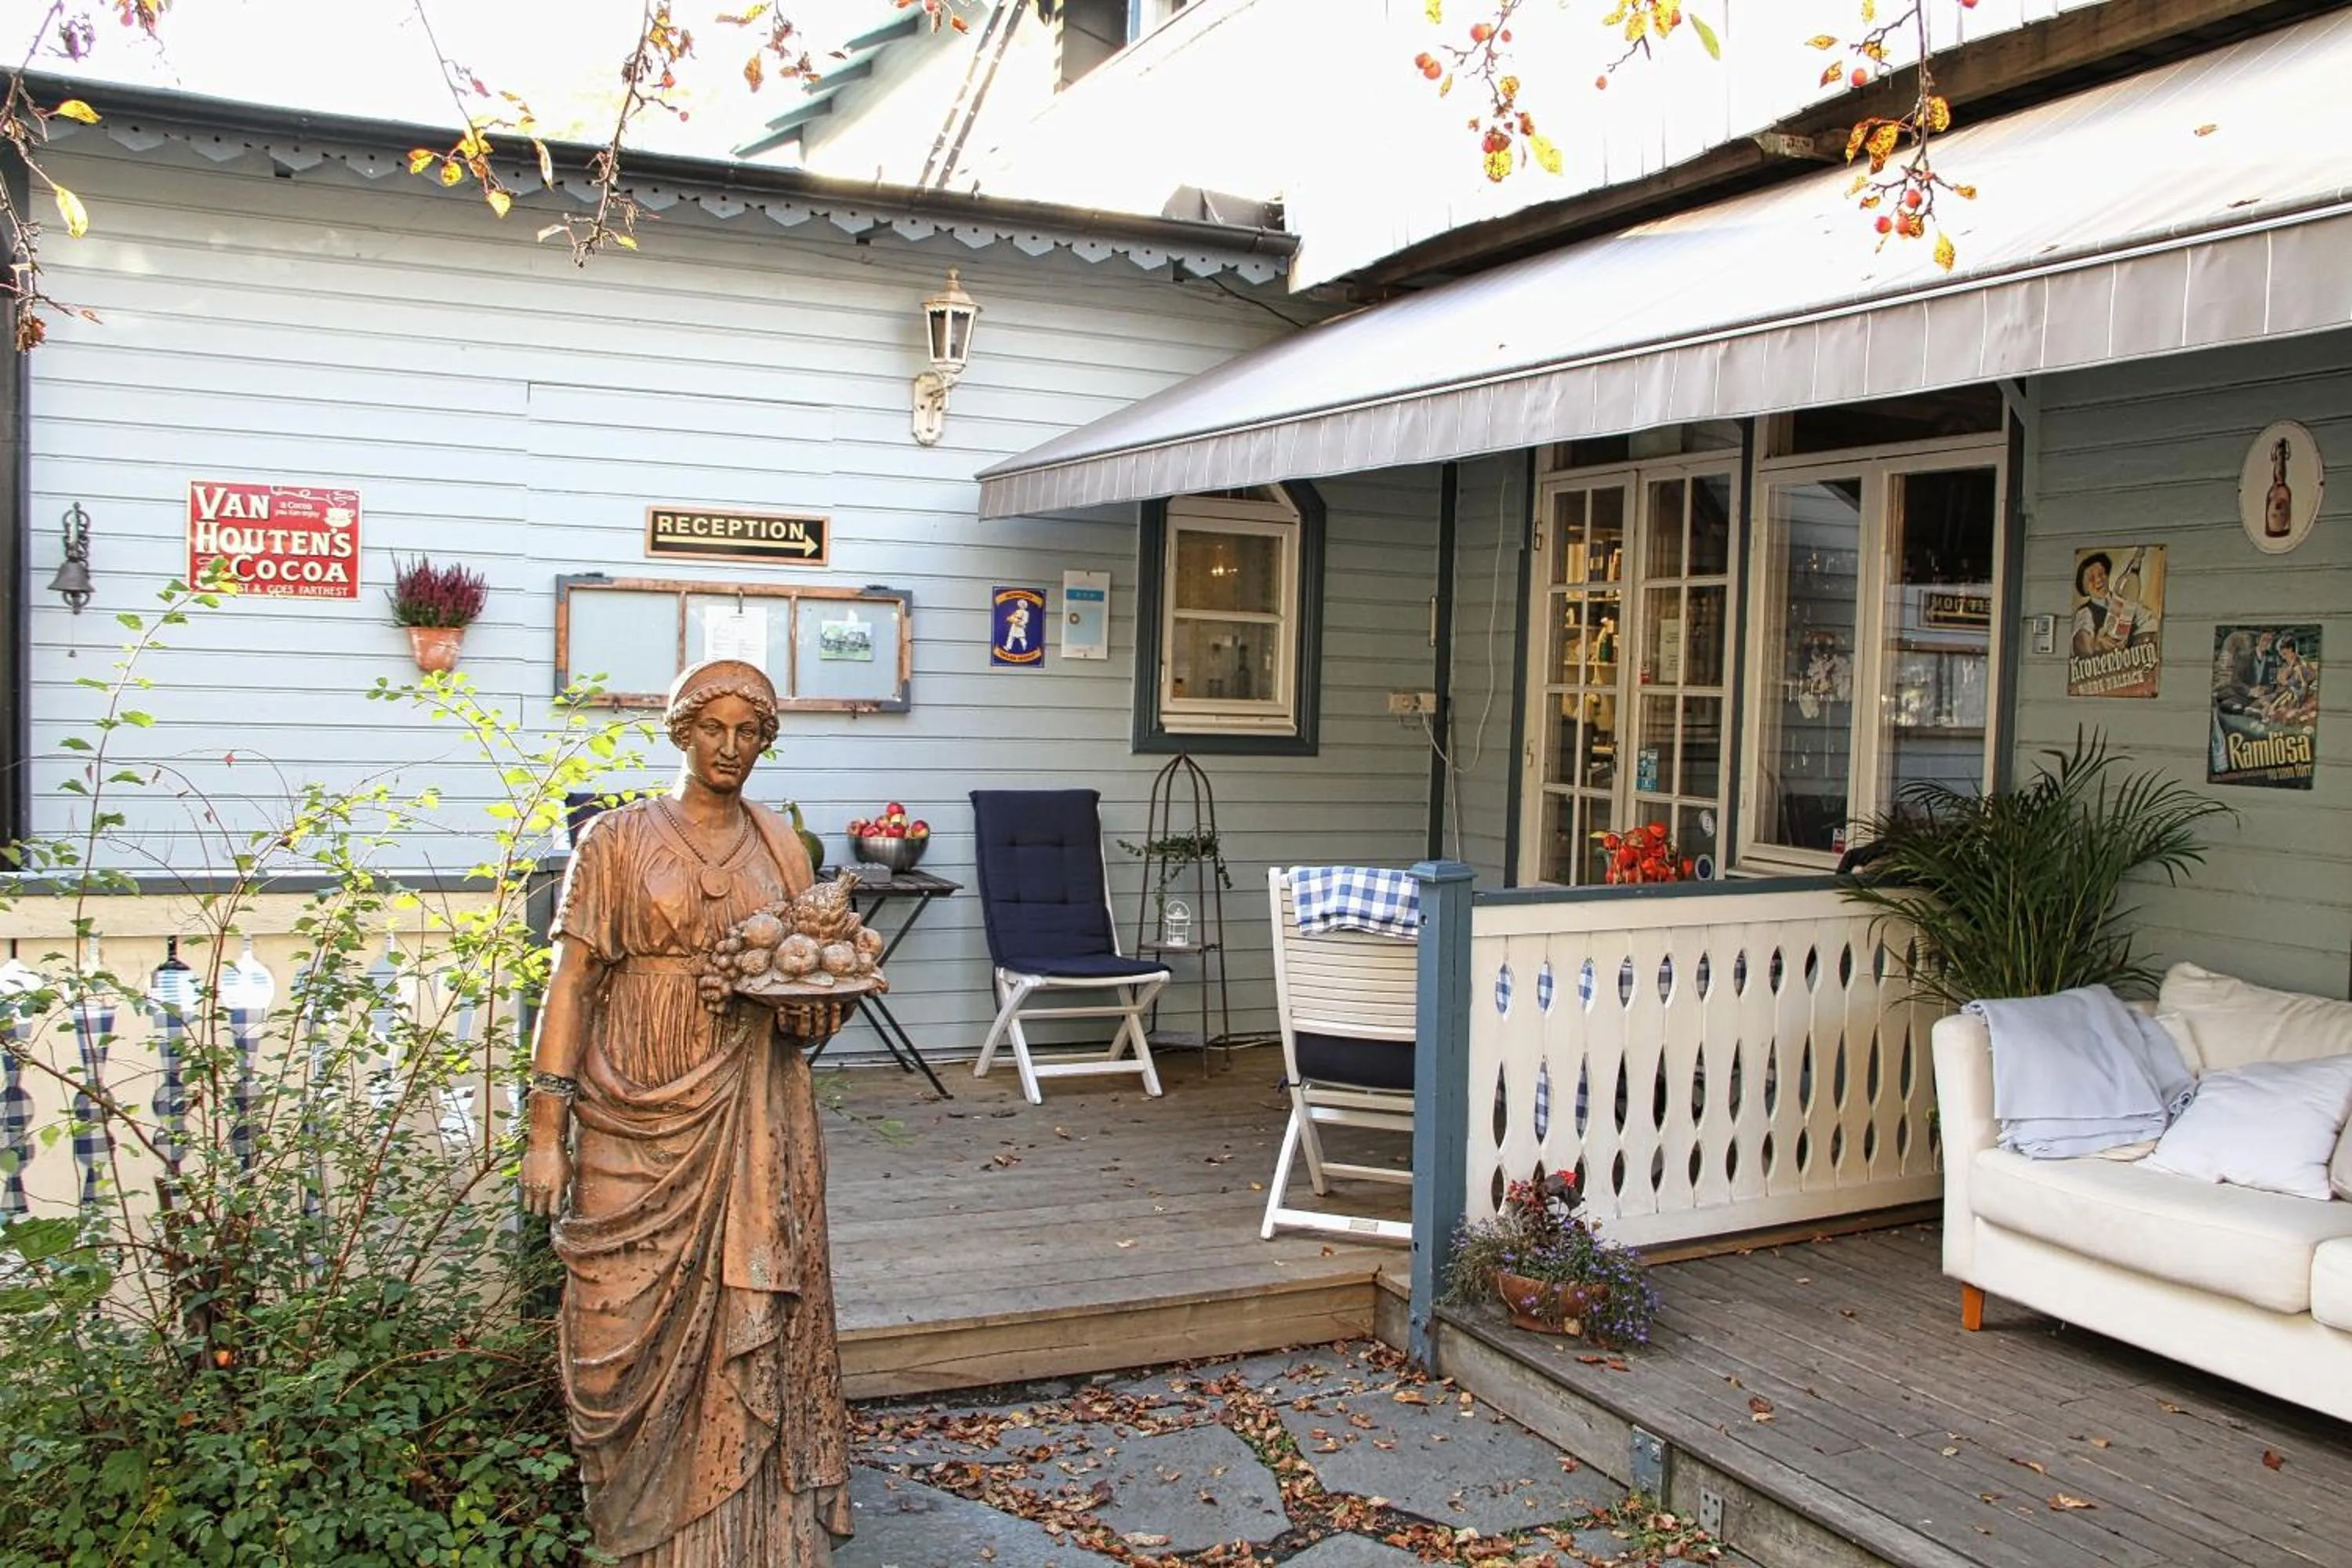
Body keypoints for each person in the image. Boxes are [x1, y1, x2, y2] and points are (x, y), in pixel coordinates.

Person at [521, 658, 851, 1566]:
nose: (732, 748)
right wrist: (546, 1129)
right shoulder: (618, 840)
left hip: (752, 1103)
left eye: (751, 733)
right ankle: (635, 1534)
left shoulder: (781, 846)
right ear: (682, 730)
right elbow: (573, 982)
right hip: (630, 1105)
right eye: (716, 729)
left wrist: (814, 1008)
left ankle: (748, 1538)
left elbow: (800, 984)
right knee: (610, 1323)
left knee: (752, 1303)